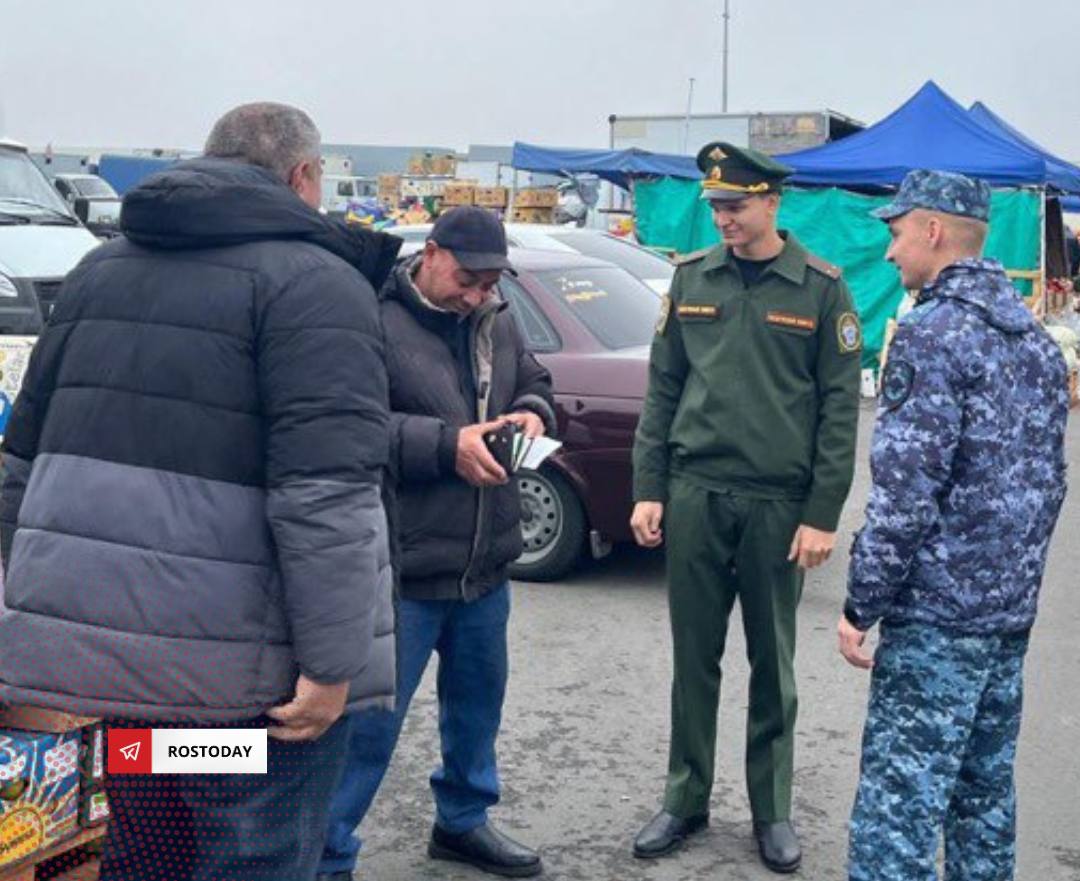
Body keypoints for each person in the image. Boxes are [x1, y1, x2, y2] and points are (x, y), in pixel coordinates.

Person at [0, 102, 401, 881]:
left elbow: (22, 460)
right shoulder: (317, 285)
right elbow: (324, 497)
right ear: (303, 177)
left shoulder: (97, 270)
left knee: (148, 854)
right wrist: (331, 666)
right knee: (253, 856)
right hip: (245, 694)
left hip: (116, 676)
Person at [630, 142, 862, 873]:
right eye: (716, 207)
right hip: (698, 493)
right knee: (693, 659)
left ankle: (772, 809)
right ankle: (685, 795)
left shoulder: (822, 289)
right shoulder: (691, 279)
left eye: (735, 205)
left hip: (776, 502)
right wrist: (648, 488)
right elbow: (662, 392)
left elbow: (838, 411)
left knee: (774, 663)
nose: (724, 218)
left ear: (771, 203)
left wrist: (823, 512)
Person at [841, 169, 1069, 881]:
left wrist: (860, 603)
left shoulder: (931, 335)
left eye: (896, 232)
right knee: (983, 801)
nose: (889, 253)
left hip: (938, 620)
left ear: (933, 230)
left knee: (897, 814)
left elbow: (905, 496)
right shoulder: (1032, 340)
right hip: (1006, 620)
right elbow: (1048, 486)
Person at [317, 206, 555, 881]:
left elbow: (536, 382)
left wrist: (531, 416)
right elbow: (348, 423)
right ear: (431, 252)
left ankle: (462, 821)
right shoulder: (372, 315)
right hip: (404, 566)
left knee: (477, 707)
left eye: (490, 281)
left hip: (485, 564)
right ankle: (328, 853)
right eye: (469, 277)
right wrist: (445, 446)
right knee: (367, 730)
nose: (479, 292)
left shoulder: (496, 316)